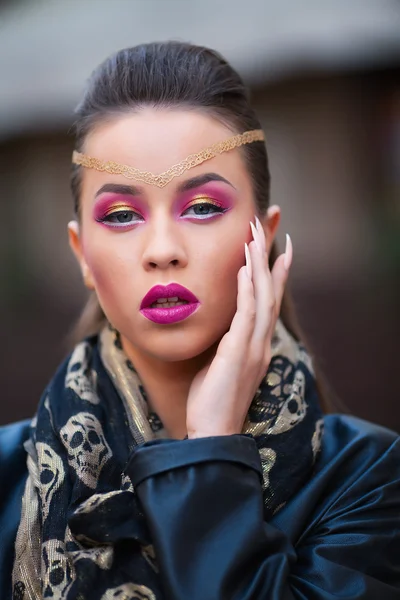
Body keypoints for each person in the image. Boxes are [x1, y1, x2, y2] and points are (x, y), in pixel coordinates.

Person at [0, 41, 399, 600]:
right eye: (120, 215)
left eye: (204, 207)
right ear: (82, 255)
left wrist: (210, 450)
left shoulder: (367, 478)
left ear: (263, 236)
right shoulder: (3, 480)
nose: (163, 249)